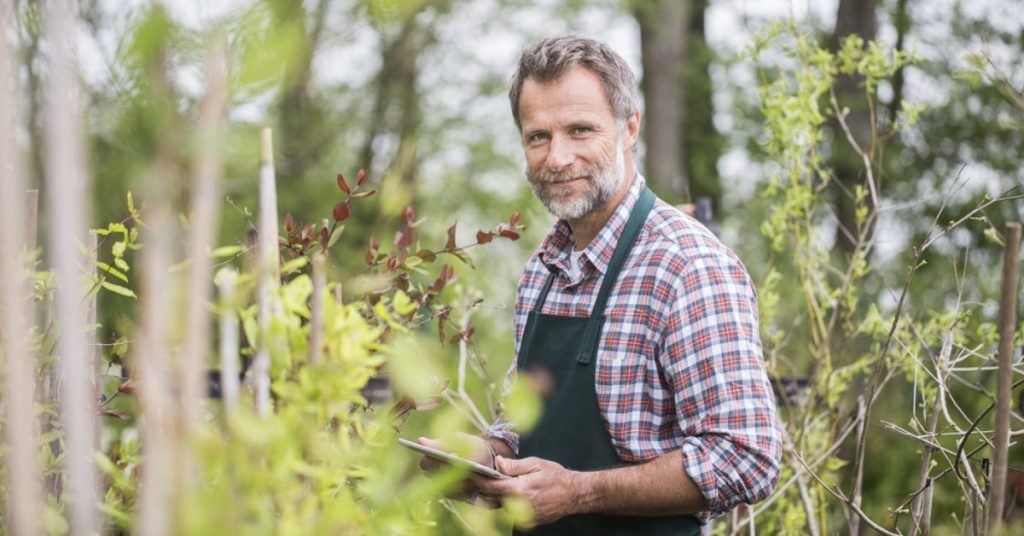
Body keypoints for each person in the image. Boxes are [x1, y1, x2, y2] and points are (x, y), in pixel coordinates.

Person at [418, 35, 781, 534]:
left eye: (580, 130)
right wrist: (486, 455)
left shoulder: (687, 265)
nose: (557, 157)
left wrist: (581, 492)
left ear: (629, 128)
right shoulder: (543, 269)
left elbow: (747, 457)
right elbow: (528, 429)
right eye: (538, 136)